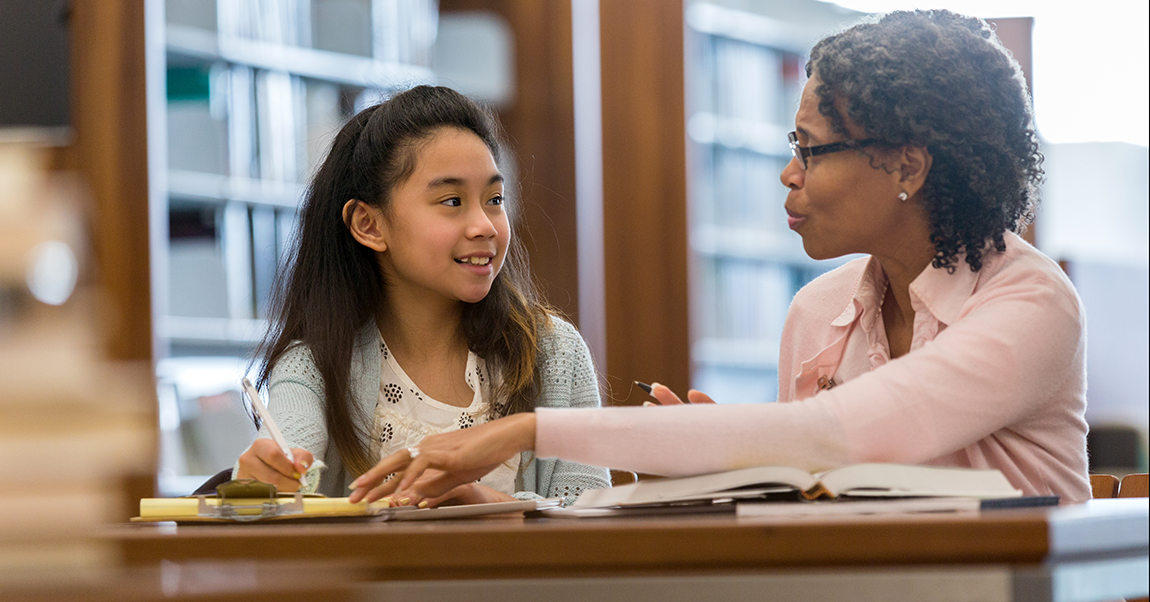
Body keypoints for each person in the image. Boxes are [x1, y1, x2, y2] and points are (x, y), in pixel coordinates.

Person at [348, 10, 1091, 505]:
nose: (788, 173)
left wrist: (525, 430)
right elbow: (822, 494)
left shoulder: (1031, 303)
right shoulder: (819, 312)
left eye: (811, 149)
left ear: (908, 166)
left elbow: (839, 433)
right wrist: (729, 460)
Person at [234, 85, 610, 507]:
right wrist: (262, 482)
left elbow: (591, 522)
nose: (484, 225)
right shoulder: (315, 364)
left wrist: (480, 502)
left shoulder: (555, 352)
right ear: (369, 225)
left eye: (494, 199)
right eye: (452, 201)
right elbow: (285, 452)